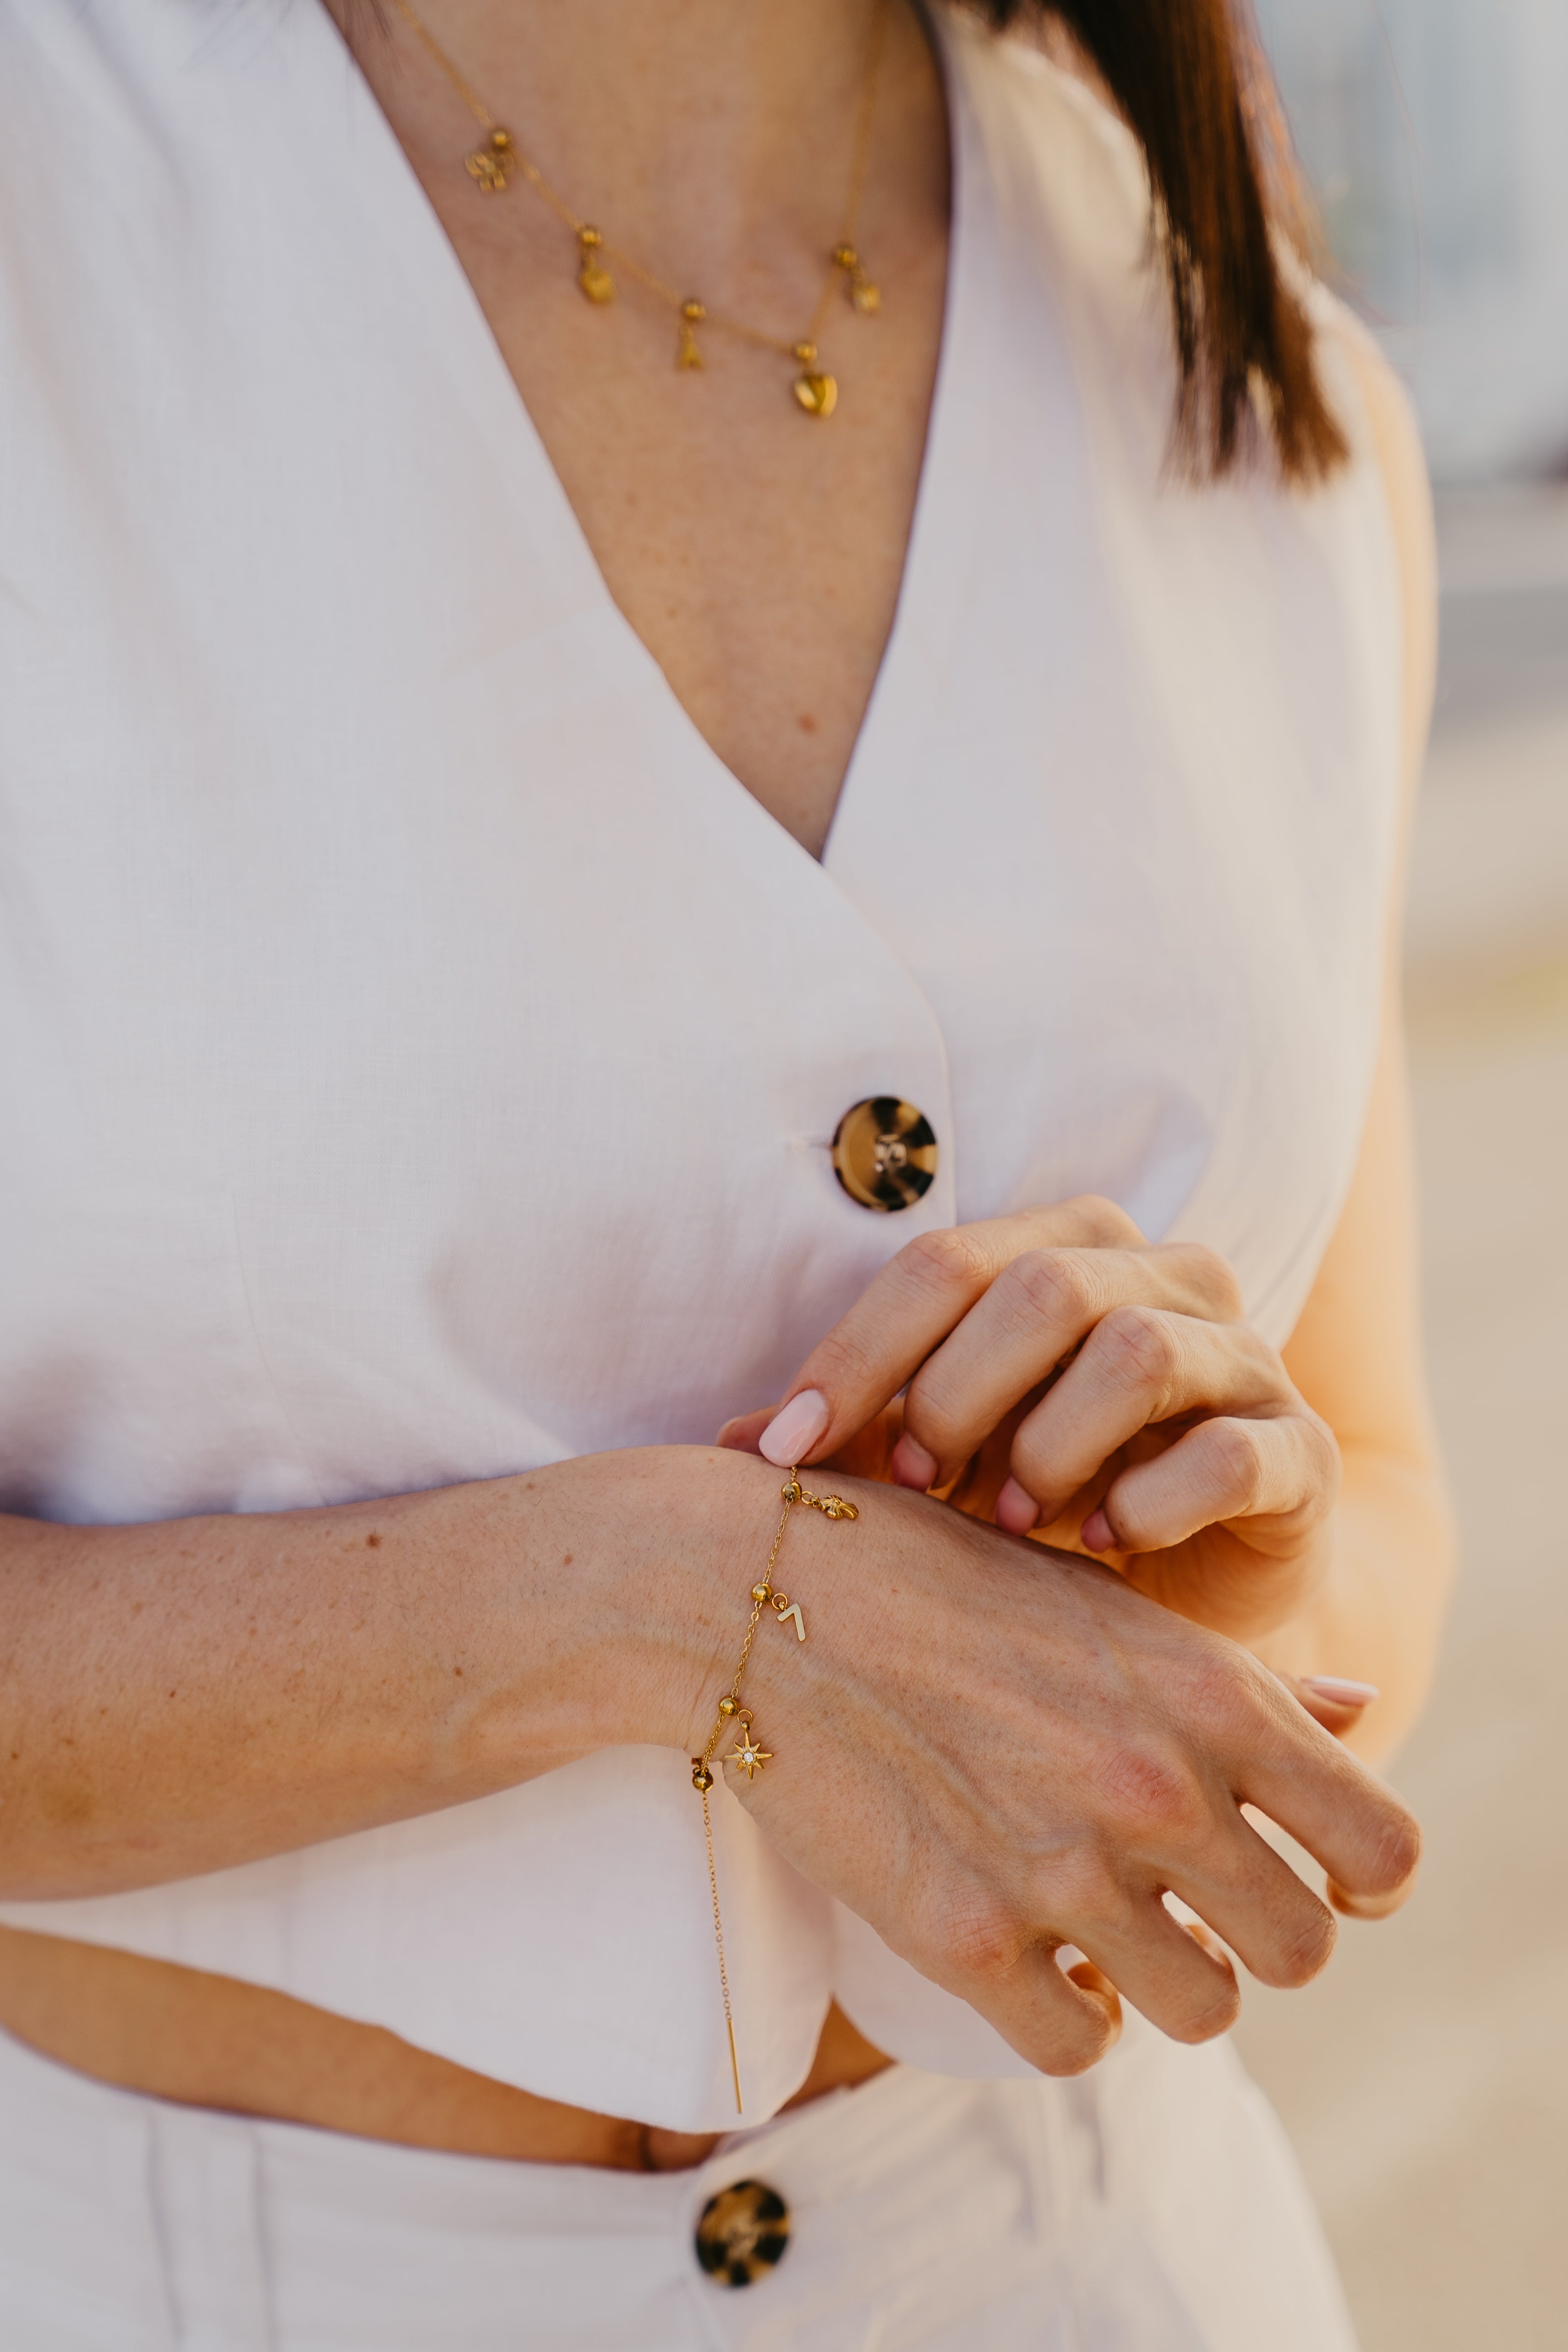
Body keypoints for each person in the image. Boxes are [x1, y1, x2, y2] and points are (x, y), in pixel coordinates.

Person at [0, 0, 1452, 2343]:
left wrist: (1224, 1559)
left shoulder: (1264, 375)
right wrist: (648, 1608)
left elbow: (1379, 1479)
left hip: (1092, 2267)